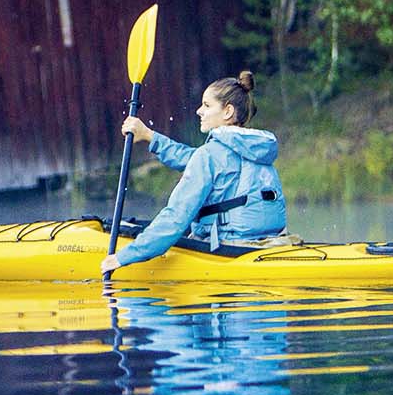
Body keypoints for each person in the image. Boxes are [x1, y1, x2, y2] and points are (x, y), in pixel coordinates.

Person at [102, 71, 286, 275]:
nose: (199, 111)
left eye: (207, 105)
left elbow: (175, 219)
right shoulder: (254, 148)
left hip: (228, 249)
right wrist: (149, 136)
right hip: (269, 240)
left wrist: (122, 257)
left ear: (227, 111)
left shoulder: (211, 155)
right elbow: (193, 158)